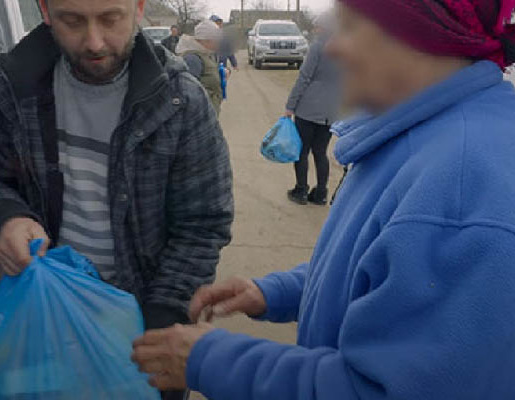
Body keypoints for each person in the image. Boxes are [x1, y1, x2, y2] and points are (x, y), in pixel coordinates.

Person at [132, 1, 515, 399]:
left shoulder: (463, 188)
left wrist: (209, 360)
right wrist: (277, 292)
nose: (331, 48)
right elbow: (380, 268)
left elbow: (382, 390)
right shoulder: (422, 136)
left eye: (350, 26)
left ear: (418, 35)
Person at [0, 0, 233, 399]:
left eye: (110, 19)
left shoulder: (180, 102)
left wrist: (160, 324)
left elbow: (203, 224)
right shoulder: (10, 88)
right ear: (45, 11)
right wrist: (4, 217)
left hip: (142, 319)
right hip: (42, 316)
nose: (94, 41)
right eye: (73, 21)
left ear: (138, 8)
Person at [286, 11, 341, 206]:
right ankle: (321, 193)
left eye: (317, 26)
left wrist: (290, 106)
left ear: (323, 27)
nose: (315, 29)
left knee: (301, 151)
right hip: (331, 110)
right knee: (320, 152)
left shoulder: (318, 47)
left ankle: (301, 190)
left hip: (309, 107)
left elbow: (304, 77)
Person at [176, 20, 225, 115]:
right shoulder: (192, 59)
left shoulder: (205, 54)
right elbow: (188, 94)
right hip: (199, 118)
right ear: (206, 40)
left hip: (207, 114)